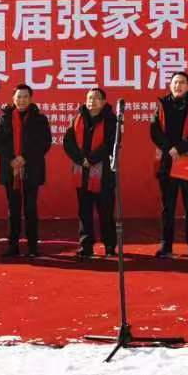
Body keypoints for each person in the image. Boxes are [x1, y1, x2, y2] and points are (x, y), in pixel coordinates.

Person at [150, 71, 188, 259]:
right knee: (167, 207)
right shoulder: (162, 105)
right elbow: (154, 131)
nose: (178, 85)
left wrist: (180, 148)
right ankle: (166, 246)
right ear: (170, 85)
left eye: (182, 82)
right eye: (175, 82)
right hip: (167, 160)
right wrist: (170, 148)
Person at [0, 84, 52, 257]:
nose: (22, 100)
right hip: (10, 169)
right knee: (13, 209)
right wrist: (12, 159)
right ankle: (13, 246)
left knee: (31, 208)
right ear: (13, 99)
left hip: (32, 168)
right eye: (19, 97)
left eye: (25, 97)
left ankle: (32, 247)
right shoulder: (4, 118)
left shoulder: (40, 119)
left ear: (31, 99)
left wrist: (24, 157)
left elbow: (44, 143)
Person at [63, 88, 118, 260]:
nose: (92, 101)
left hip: (104, 172)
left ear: (103, 101)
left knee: (105, 211)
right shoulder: (77, 118)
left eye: (96, 98)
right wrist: (81, 159)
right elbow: (68, 142)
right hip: (82, 171)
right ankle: (86, 246)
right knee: (84, 211)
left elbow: (111, 144)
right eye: (89, 98)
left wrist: (92, 159)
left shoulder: (111, 120)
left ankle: (110, 246)